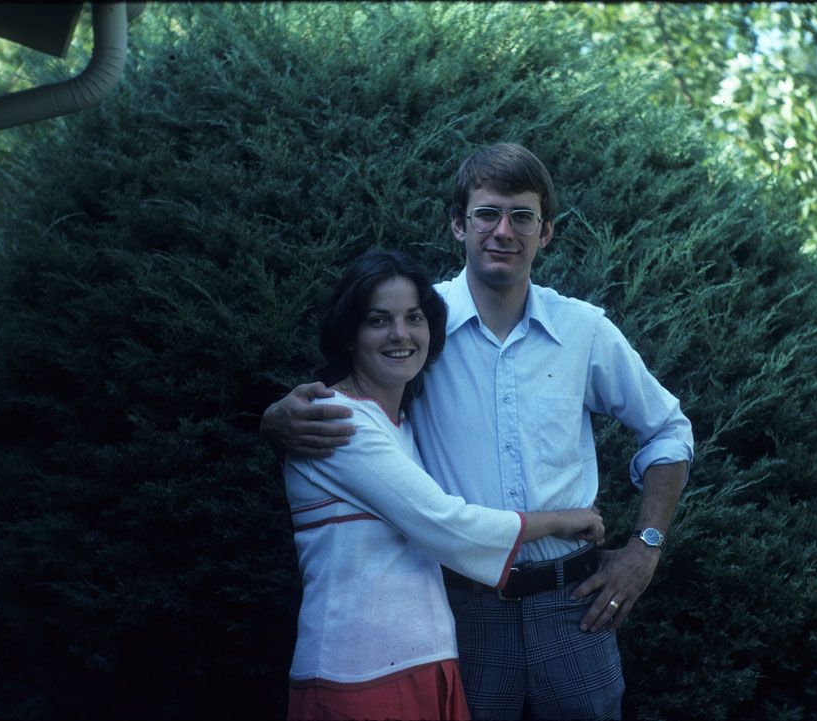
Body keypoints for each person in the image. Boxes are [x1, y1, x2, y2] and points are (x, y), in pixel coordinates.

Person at [264, 144, 694, 720]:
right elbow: (360, 393)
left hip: (574, 607)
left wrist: (644, 550)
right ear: (458, 225)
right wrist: (276, 419)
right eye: (487, 213)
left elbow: (667, 430)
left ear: (546, 233)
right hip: (460, 612)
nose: (503, 231)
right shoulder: (422, 324)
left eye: (523, 216)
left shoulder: (584, 330)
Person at [282, 249, 604, 721]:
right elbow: (445, 524)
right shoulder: (336, 422)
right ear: (349, 334)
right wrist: (558, 520)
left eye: (414, 317)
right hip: (356, 676)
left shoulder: (400, 425)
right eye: (378, 320)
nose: (400, 334)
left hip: (426, 664)